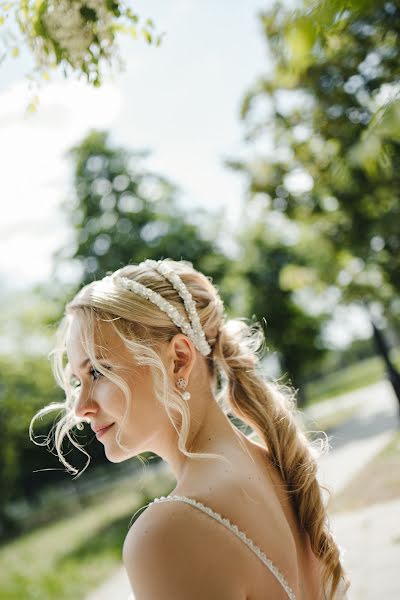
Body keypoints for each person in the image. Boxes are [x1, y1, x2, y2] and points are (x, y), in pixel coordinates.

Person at [30, 258, 351, 599]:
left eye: (98, 371)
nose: (81, 408)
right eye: (78, 381)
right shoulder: (280, 466)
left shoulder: (167, 534)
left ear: (179, 359)